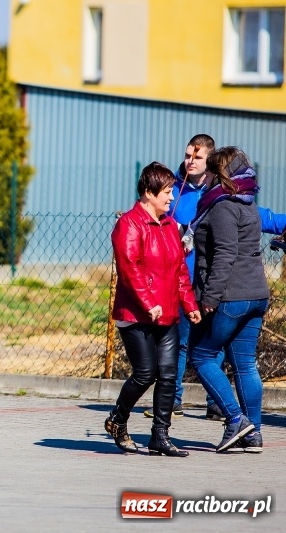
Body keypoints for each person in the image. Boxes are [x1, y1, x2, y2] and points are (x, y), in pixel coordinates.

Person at [143, 134, 286, 421]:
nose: (190, 161)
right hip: (184, 281)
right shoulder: (177, 193)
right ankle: (175, 400)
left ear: (211, 163)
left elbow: (255, 229)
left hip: (217, 287)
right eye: (187, 155)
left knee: (211, 350)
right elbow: (159, 224)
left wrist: (210, 295)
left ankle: (222, 408)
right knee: (183, 342)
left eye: (197, 157)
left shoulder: (221, 199)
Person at [105, 162, 200, 457]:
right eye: (167, 192)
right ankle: (117, 420)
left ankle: (160, 435)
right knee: (146, 373)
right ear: (148, 192)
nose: (171, 198)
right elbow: (129, 269)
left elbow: (179, 273)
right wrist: (149, 304)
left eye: (172, 191)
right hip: (135, 315)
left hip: (168, 313)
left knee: (169, 374)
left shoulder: (171, 226)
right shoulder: (129, 224)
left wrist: (190, 305)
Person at [187, 147, 269, 453]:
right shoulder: (248, 204)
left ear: (218, 173)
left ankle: (235, 419)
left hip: (232, 297)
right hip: (256, 294)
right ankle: (254, 433)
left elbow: (224, 255)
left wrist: (210, 297)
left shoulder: (222, 207)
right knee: (245, 365)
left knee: (202, 356)